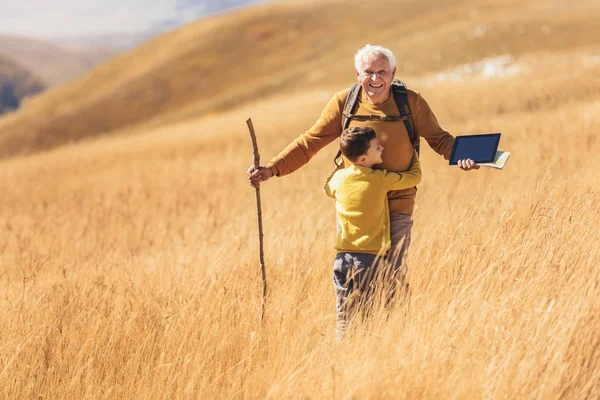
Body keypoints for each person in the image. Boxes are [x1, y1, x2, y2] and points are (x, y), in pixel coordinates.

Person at [247, 44, 478, 303]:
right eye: (369, 72)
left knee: (393, 276)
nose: (376, 78)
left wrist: (462, 156)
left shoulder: (410, 102)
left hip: (398, 203)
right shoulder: (344, 103)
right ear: (357, 74)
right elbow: (310, 141)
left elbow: (439, 138)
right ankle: (355, 335)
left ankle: (392, 333)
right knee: (355, 280)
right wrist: (272, 168)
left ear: (393, 73)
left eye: (382, 71)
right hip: (358, 209)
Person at [324, 126, 421, 336]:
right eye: (376, 147)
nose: (382, 148)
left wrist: (340, 164)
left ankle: (342, 357)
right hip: (369, 261)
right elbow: (414, 178)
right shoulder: (379, 179)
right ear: (362, 159)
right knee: (368, 317)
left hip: (342, 259)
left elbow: (326, 187)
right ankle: (363, 356)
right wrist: (413, 154)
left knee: (344, 318)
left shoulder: (339, 179)